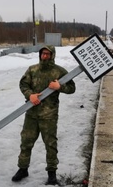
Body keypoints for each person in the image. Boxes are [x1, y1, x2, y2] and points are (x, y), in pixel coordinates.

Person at [12, 45, 76, 185]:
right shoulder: (32, 70)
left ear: (52, 55)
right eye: (43, 53)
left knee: (50, 144)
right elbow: (23, 84)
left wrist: (60, 87)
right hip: (32, 114)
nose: (45, 56)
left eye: (48, 54)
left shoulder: (59, 71)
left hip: (49, 115)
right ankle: (23, 169)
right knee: (26, 142)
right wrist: (30, 95)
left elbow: (72, 88)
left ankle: (51, 173)